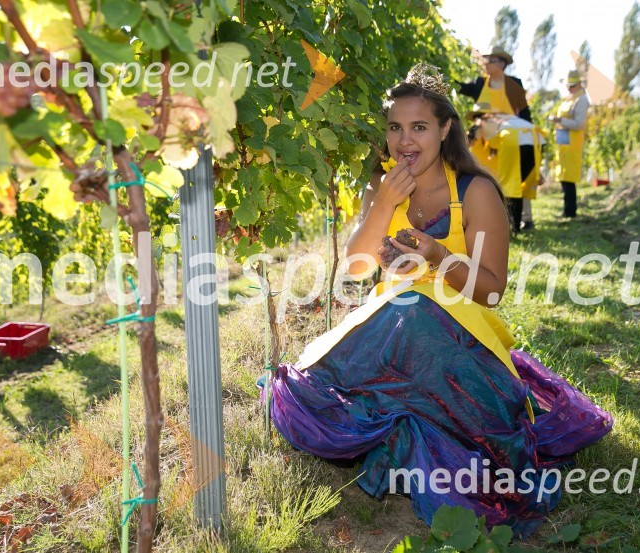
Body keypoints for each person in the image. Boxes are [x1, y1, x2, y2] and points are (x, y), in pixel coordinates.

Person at [259, 64, 612, 538]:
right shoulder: (381, 188)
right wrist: (383, 205)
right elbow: (357, 270)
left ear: (446, 129)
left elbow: (490, 290)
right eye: (395, 128)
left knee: (420, 315)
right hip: (390, 328)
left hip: (458, 339)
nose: (405, 141)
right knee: (337, 367)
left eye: (419, 127)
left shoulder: (476, 191)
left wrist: (439, 256)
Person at [458, 47, 537, 231]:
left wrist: (529, 135)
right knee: (478, 171)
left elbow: (524, 112)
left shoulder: (513, 84)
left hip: (508, 136)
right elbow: (460, 87)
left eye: (490, 60)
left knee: (511, 178)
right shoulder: (480, 83)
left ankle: (513, 224)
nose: (486, 63)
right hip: (483, 136)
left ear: (502, 64)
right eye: (486, 60)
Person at [550, 70, 590, 218]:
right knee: (564, 177)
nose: (569, 88)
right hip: (563, 143)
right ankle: (567, 210)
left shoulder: (582, 100)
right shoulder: (570, 98)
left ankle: (570, 211)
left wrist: (560, 121)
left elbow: (579, 124)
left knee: (569, 179)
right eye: (568, 85)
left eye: (572, 86)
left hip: (572, 144)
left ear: (579, 84)